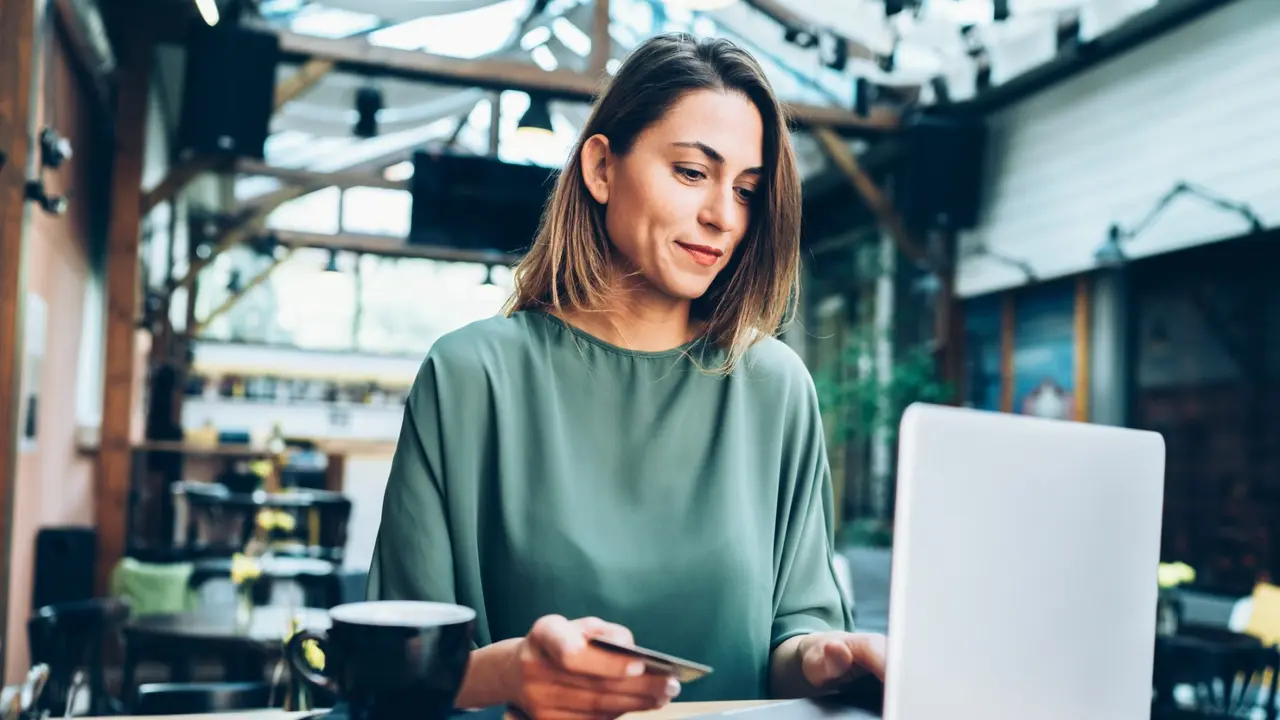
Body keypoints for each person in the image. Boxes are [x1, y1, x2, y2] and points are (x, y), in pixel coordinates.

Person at [368, 32, 887, 719]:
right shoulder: (470, 377)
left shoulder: (773, 387)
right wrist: (507, 675)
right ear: (602, 168)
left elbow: (795, 634)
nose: (722, 216)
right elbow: (389, 676)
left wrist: (826, 661)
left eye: (747, 189)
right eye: (693, 173)